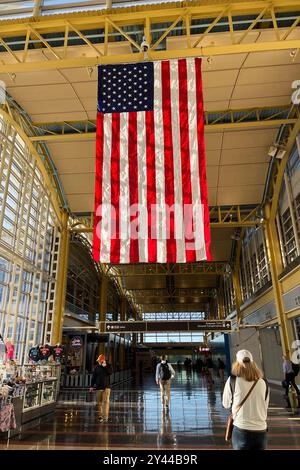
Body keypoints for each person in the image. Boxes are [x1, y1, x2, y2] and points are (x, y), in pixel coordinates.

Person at [222, 349, 269, 450]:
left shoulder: (233, 380)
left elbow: (225, 404)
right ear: (253, 363)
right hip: (261, 431)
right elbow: (265, 406)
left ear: (237, 363)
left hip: (241, 430)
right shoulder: (264, 382)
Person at [89, 354, 113, 423]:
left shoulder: (108, 366)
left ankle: (105, 417)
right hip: (98, 387)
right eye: (98, 361)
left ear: (103, 360)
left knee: (105, 402)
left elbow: (110, 372)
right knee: (99, 403)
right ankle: (100, 416)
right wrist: (91, 386)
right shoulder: (96, 367)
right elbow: (93, 377)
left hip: (106, 387)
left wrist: (105, 367)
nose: (98, 362)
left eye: (100, 361)